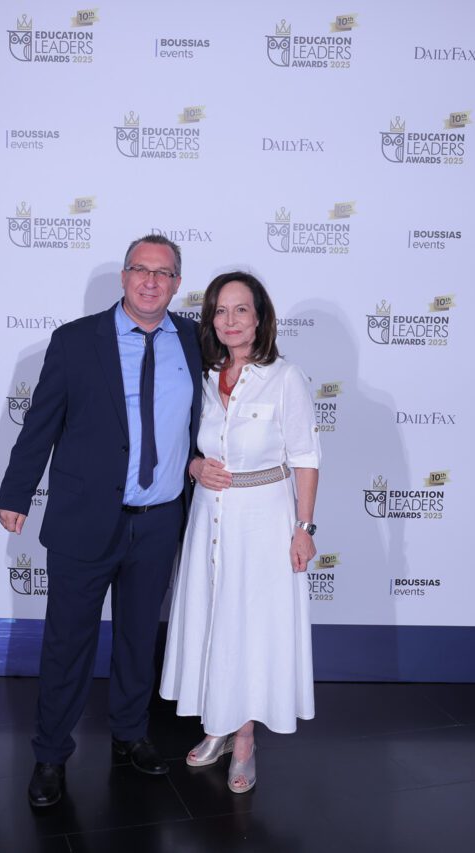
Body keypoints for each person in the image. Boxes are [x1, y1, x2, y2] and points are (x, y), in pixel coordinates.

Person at [0, 234, 202, 808]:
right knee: (68, 644)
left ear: (177, 284)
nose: (151, 281)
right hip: (84, 518)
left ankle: (130, 734)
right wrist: (16, 492)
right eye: (140, 269)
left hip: (159, 521)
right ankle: (50, 754)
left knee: (138, 639)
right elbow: (41, 423)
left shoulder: (193, 339)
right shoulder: (75, 340)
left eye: (163, 273)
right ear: (124, 276)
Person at [159, 271, 320, 794]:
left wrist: (303, 528)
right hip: (209, 518)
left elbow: (306, 457)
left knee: (250, 628)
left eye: (240, 310)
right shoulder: (204, 376)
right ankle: (217, 725)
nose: (229, 321)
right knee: (212, 621)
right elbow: (187, 445)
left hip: (264, 522)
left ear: (260, 318)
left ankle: (244, 738)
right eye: (220, 311)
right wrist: (193, 467)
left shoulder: (285, 378)